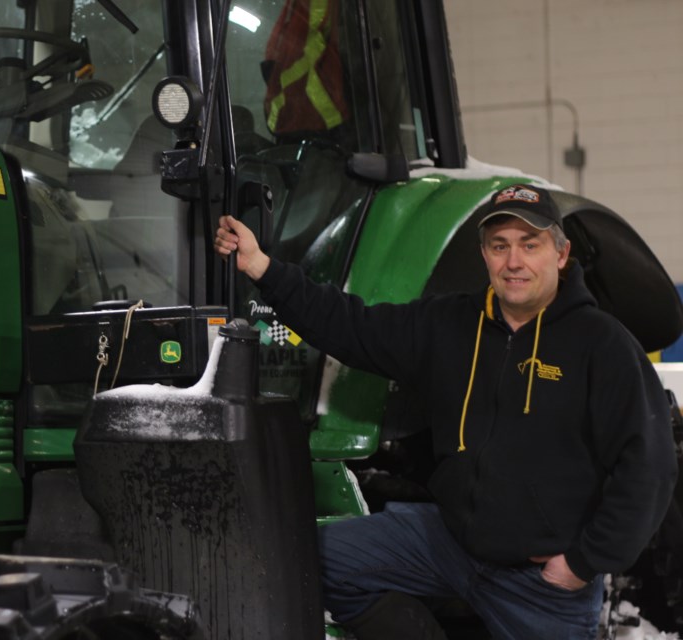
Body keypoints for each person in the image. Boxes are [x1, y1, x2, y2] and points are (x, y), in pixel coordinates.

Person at [213, 183, 679, 639]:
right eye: (499, 246)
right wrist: (262, 267)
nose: (513, 261)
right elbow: (350, 326)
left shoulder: (603, 345)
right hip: (449, 545)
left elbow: (649, 466)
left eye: (529, 245)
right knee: (313, 560)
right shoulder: (449, 323)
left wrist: (583, 562)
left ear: (560, 254)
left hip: (541, 582)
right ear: (485, 255)